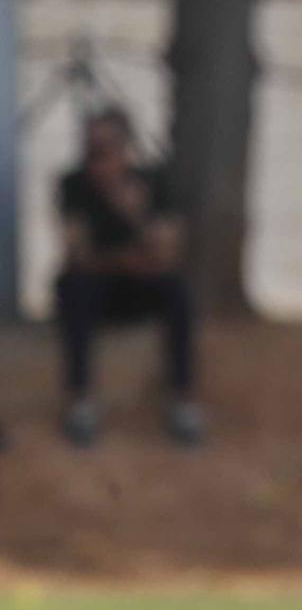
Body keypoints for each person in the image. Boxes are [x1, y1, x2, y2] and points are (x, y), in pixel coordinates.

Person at [53, 106, 203, 448]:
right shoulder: (73, 185)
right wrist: (132, 259)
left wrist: (133, 214)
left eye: (104, 149)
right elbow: (77, 255)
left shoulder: (154, 183)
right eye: (90, 149)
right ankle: (80, 402)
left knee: (177, 290)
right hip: (98, 289)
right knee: (74, 287)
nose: (96, 159)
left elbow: (169, 252)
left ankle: (183, 401)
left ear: (125, 148)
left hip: (139, 288)